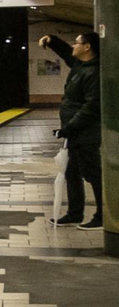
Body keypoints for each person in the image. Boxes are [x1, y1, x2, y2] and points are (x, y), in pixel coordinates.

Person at [41, 32, 102, 229]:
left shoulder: (94, 72)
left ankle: (102, 216)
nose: (73, 46)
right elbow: (67, 53)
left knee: (93, 174)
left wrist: (70, 127)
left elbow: (91, 106)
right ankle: (75, 214)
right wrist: (52, 40)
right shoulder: (80, 65)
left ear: (87, 47)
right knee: (71, 172)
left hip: (86, 132)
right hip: (74, 131)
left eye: (77, 43)